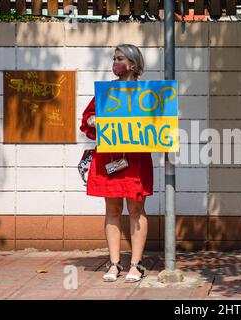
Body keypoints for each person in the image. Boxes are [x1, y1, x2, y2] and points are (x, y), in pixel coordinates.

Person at [80, 44, 153, 283]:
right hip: (109, 158)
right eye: (114, 58)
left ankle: (136, 264)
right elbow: (87, 117)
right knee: (112, 211)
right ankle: (114, 264)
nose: (115, 63)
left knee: (136, 210)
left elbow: (159, 121)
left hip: (134, 159)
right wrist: (92, 120)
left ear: (133, 63)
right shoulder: (106, 91)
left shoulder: (147, 92)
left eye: (120, 58)